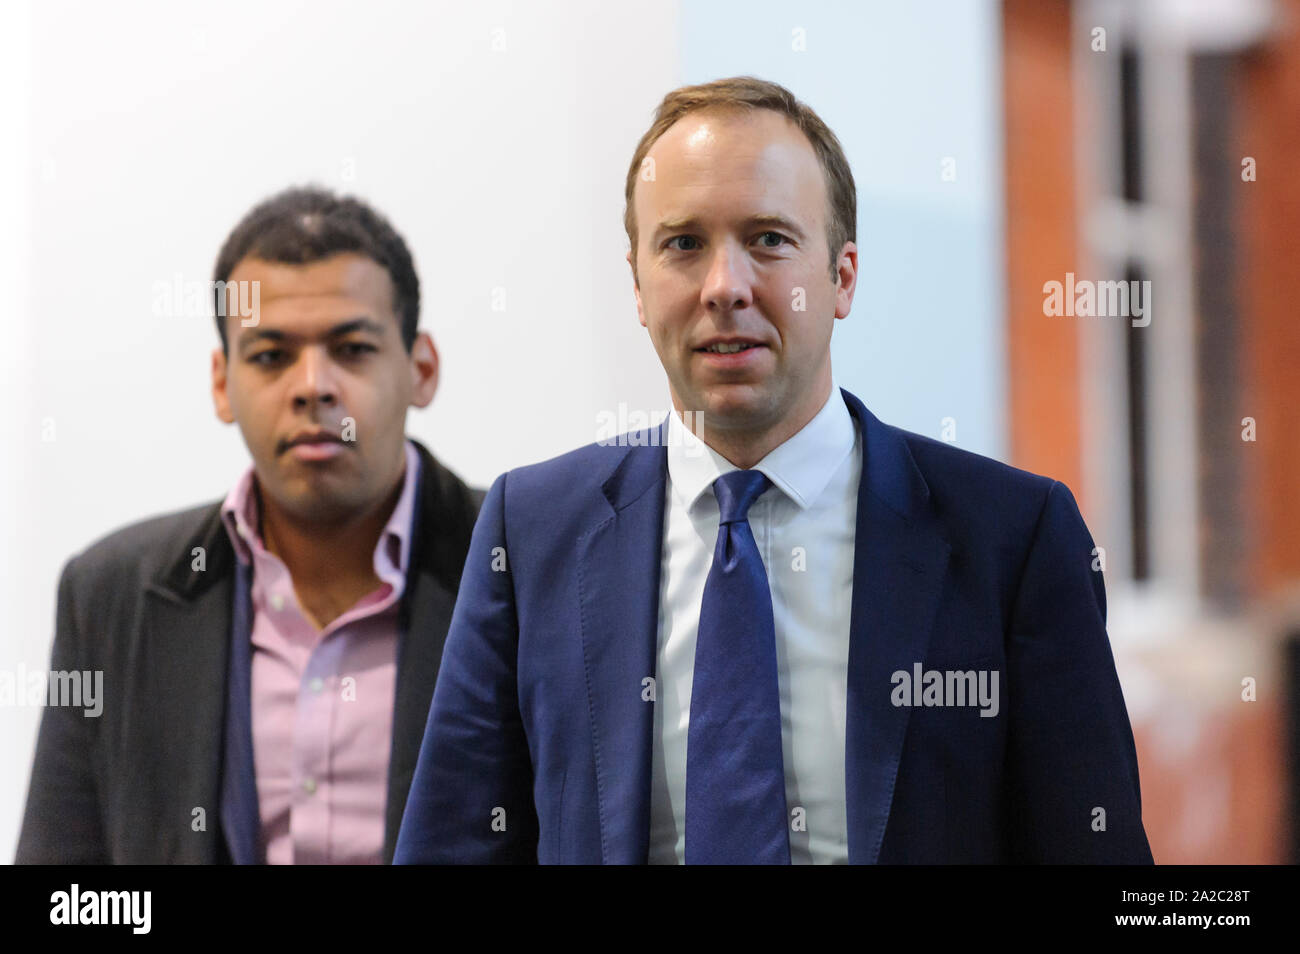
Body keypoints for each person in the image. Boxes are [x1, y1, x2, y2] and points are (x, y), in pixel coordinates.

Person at [394, 77, 1153, 864]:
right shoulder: (534, 529)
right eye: (683, 244)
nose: (725, 287)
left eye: (769, 240)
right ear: (638, 287)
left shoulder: (1011, 540)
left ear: (843, 277)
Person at [17, 186, 483, 864]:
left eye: (352, 349)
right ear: (220, 382)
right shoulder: (111, 594)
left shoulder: (518, 567)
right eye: (270, 355)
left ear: (421, 369)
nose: (312, 386)